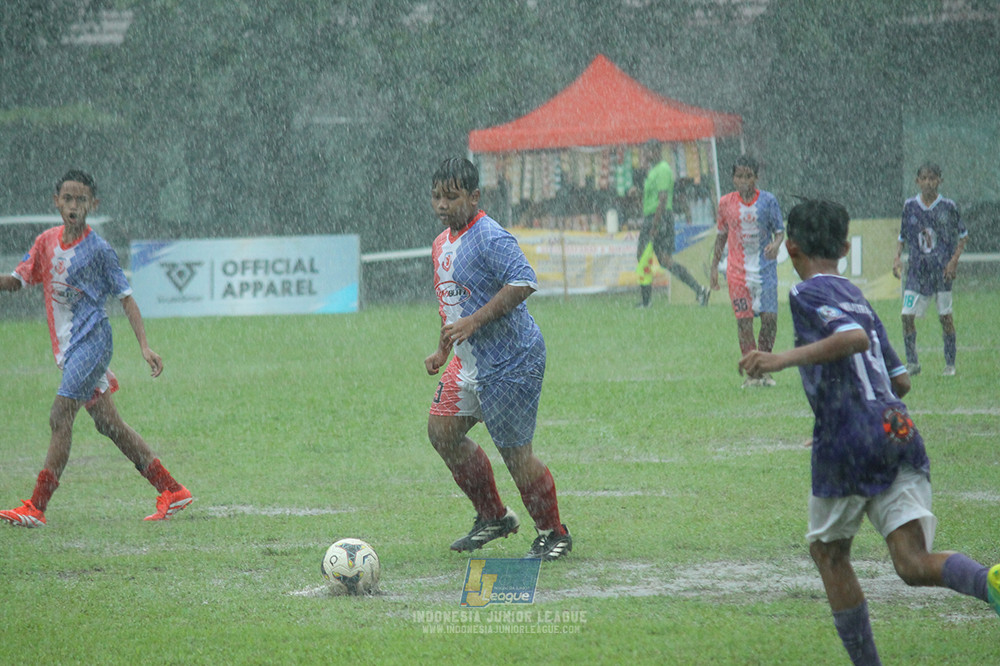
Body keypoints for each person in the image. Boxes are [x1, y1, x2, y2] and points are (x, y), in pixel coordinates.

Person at [739, 199, 999, 665]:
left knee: (829, 554)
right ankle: (989, 581)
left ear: (790, 248)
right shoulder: (859, 297)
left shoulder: (805, 293)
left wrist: (779, 359)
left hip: (850, 440)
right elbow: (900, 380)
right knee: (913, 563)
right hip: (897, 428)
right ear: (844, 248)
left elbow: (854, 339)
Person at [0, 170, 192, 527]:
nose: (74, 205)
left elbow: (126, 297)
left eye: (81, 199)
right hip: (71, 349)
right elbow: (16, 281)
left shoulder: (99, 250)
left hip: (93, 343)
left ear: (93, 204)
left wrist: (145, 346)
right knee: (109, 425)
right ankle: (172, 489)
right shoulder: (45, 242)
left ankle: (36, 507)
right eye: (67, 198)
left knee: (60, 416)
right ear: (56, 202)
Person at [424, 157, 571, 561]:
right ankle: (493, 516)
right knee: (441, 432)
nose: (442, 204)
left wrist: (474, 321)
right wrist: (442, 350)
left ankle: (553, 533)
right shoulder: (440, 244)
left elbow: (523, 282)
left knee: (515, 455)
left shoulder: (490, 236)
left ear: (474, 197)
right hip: (468, 363)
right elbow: (452, 304)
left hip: (511, 362)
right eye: (436, 196)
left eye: (452, 196)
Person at [710, 155, 784, 388]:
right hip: (737, 272)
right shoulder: (726, 203)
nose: (744, 181)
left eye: (748, 176)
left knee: (770, 319)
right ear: (733, 178)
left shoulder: (768, 201)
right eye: (739, 176)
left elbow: (779, 231)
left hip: (765, 270)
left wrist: (776, 244)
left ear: (756, 177)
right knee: (744, 322)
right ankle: (753, 374)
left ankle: (765, 366)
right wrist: (714, 267)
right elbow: (721, 236)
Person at [891, 161, 968, 376]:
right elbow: (902, 236)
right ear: (917, 181)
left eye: (932, 178)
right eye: (924, 178)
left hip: (941, 271)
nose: (928, 182)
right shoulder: (910, 206)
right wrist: (897, 258)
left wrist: (953, 261)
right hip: (917, 271)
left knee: (945, 316)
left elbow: (963, 236)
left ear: (939, 181)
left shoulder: (948, 206)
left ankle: (950, 364)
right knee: (906, 315)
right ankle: (912, 363)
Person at [635, 143, 710, 308]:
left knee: (646, 256)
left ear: (656, 151)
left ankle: (647, 302)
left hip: (658, 217)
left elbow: (662, 198)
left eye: (648, 151)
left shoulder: (663, 169)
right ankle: (699, 290)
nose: (646, 155)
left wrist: (655, 224)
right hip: (655, 217)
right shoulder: (653, 171)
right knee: (662, 260)